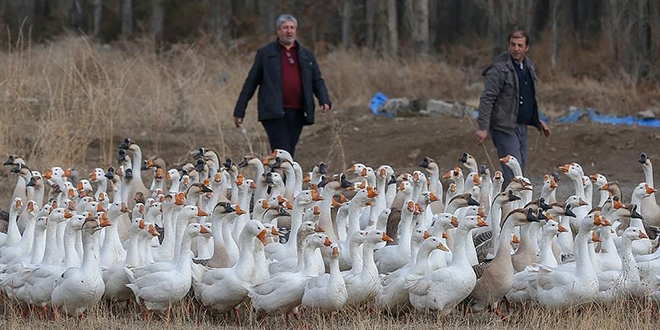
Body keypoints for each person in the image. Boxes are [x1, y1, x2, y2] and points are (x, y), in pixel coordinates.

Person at [233, 13, 332, 159]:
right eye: (285, 27)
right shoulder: (266, 54)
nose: (289, 31)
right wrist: (240, 110)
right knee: (282, 151)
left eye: (292, 28)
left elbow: (316, 79)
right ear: (278, 31)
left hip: (298, 111)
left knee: (289, 151)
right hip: (274, 112)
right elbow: (251, 82)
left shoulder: (306, 55)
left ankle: (279, 179)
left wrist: (324, 99)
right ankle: (282, 180)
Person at [474, 29, 551, 186]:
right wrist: (483, 127)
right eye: (513, 45)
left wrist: (537, 121)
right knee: (513, 174)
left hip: (521, 125)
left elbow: (528, 97)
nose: (516, 48)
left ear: (526, 47)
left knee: (519, 169)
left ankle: (503, 200)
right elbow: (487, 98)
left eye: (520, 45)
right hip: (504, 126)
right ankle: (507, 208)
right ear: (509, 46)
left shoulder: (528, 67)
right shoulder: (499, 69)